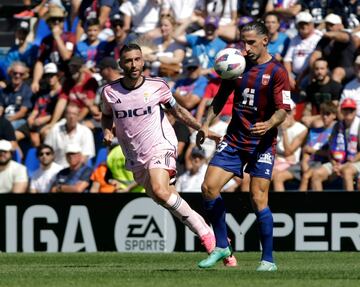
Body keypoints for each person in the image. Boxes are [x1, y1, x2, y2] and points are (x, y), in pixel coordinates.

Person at [100, 43, 236, 263]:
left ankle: (207, 238)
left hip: (160, 145)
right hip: (135, 155)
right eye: (128, 60)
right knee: (166, 198)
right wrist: (107, 130)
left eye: (137, 59)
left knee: (161, 190)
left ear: (143, 61)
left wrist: (202, 128)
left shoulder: (157, 86)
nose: (133, 65)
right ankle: (221, 244)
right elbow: (106, 115)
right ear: (120, 64)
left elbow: (178, 111)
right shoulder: (109, 92)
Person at [196, 21, 291, 271]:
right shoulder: (236, 66)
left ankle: (268, 260)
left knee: (258, 199)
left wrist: (270, 122)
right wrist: (205, 124)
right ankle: (221, 245)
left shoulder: (277, 71)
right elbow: (219, 100)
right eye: (243, 42)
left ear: (265, 41)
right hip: (235, 140)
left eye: (250, 42)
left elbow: (284, 110)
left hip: (262, 143)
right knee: (208, 187)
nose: (245, 48)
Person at [310, 98, 360, 191]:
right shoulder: (337, 126)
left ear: (355, 111)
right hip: (338, 162)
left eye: (351, 109)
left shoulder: (359, 125)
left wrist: (346, 165)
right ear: (341, 111)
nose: (348, 112)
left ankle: (350, 205)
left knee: (347, 171)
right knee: (316, 174)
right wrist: (335, 164)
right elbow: (331, 149)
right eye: (346, 109)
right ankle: (318, 205)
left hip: (355, 161)